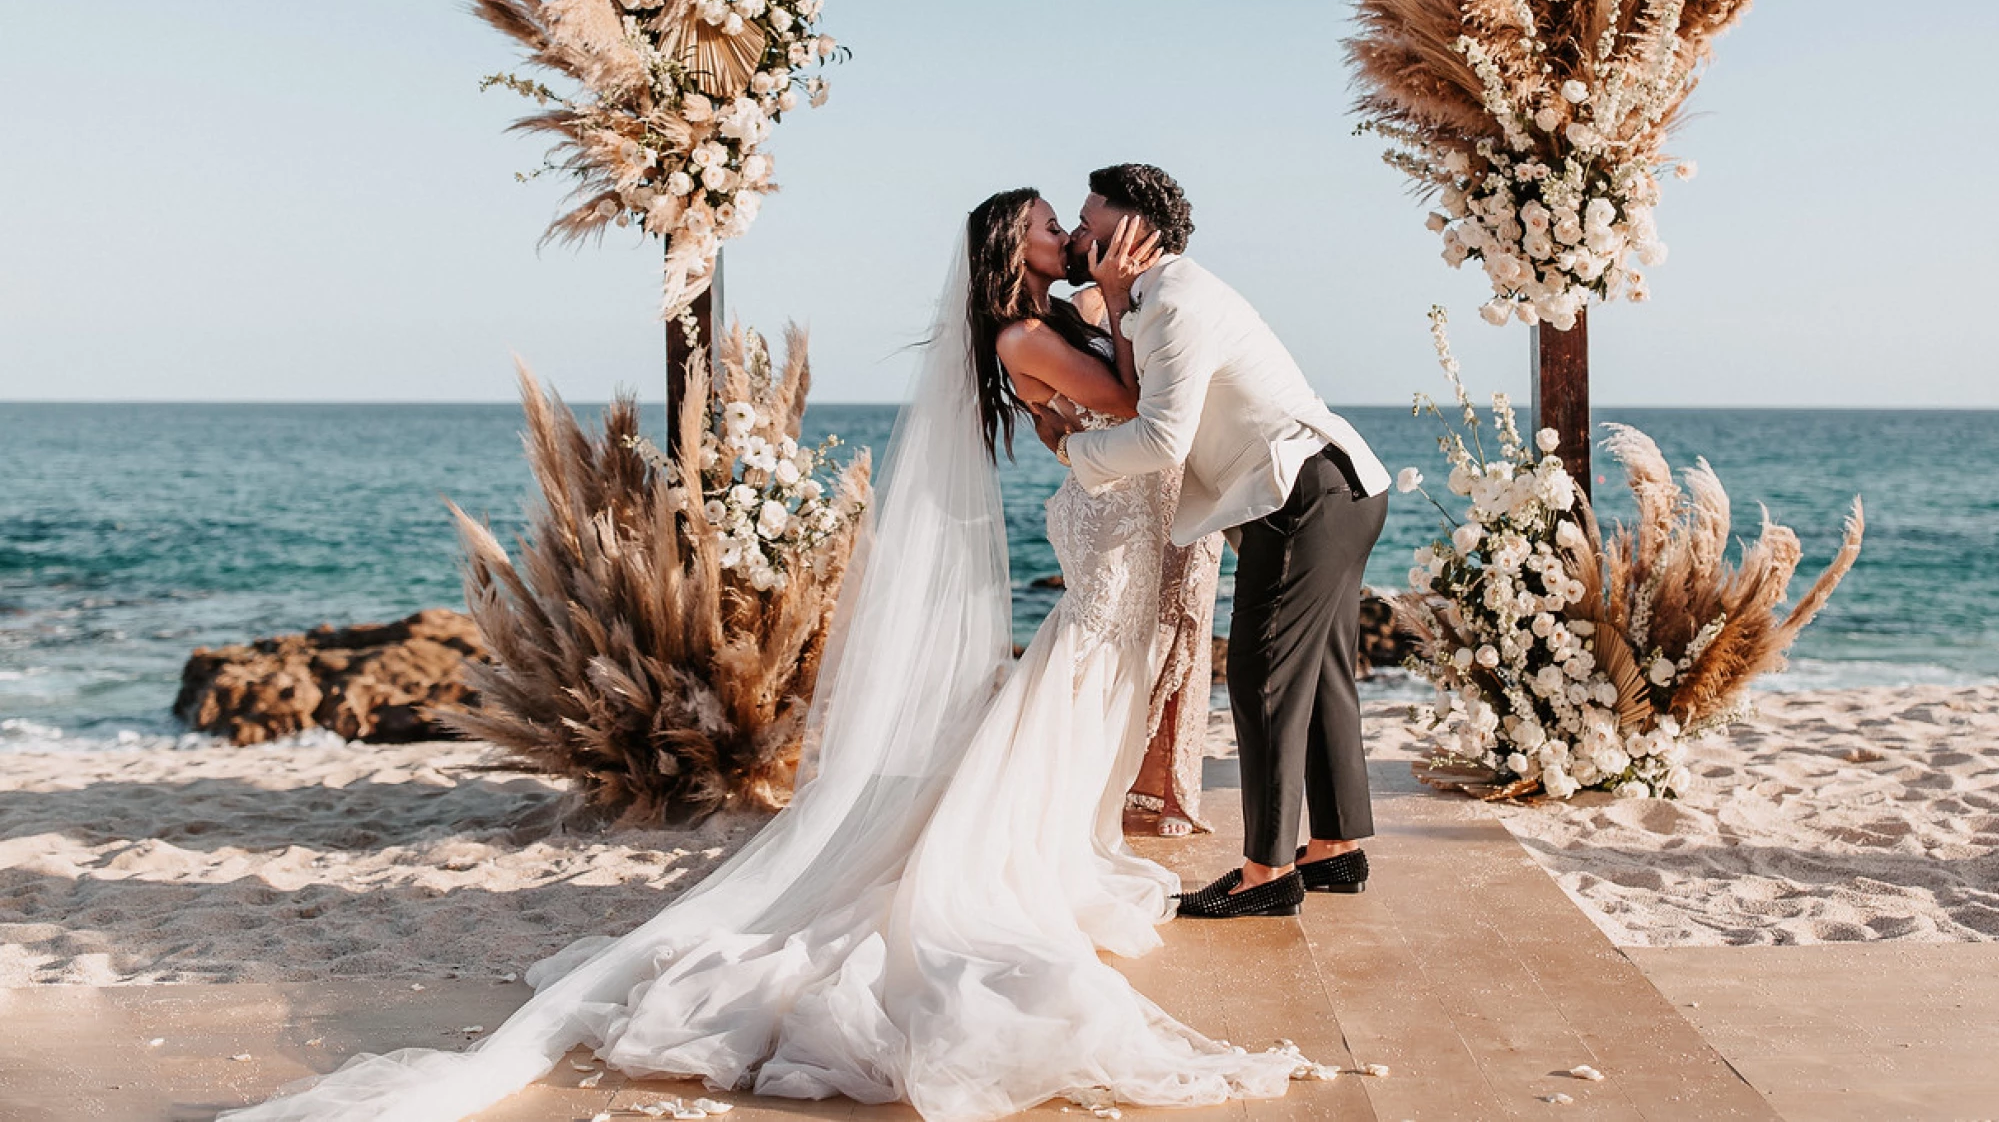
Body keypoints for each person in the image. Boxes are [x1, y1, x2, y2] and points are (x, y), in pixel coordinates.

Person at [219, 188, 1297, 1122]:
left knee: (1075, 699)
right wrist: (1117, 307)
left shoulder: (1047, 318)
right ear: (1013, 252)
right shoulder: (1025, 331)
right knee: (1060, 698)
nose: (1071, 229)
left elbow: (1120, 407)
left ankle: (1063, 841)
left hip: (1113, 530)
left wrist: (1112, 318)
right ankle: (1030, 856)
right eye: (1051, 225)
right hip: (1105, 536)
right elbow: (1126, 404)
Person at [1037, 164, 1390, 920]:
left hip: (1306, 494)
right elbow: (1145, 393)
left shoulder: (1175, 305)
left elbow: (1163, 437)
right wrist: (1121, 296)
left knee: (1261, 676)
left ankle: (1266, 870)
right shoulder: (1158, 297)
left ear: (1132, 232)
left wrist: (1074, 452)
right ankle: (1333, 847)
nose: (1077, 233)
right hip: (1338, 487)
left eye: (1088, 219)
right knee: (1321, 674)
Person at [1071, 282, 1221, 838]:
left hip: (1185, 480)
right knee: (1120, 632)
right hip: (1121, 491)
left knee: (1187, 624)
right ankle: (1110, 776)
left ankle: (1175, 790)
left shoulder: (1169, 302)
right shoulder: (1076, 314)